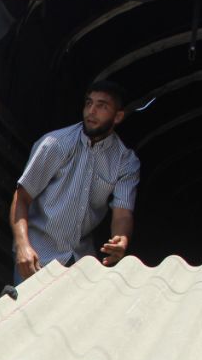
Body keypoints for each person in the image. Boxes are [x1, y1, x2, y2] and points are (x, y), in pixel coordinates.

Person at [10, 80, 140, 281]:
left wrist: (121, 239)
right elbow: (22, 197)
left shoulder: (125, 161)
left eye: (102, 106)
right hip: (36, 258)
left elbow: (122, 213)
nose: (91, 111)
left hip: (81, 264)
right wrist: (22, 247)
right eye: (89, 103)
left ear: (118, 116)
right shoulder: (55, 144)